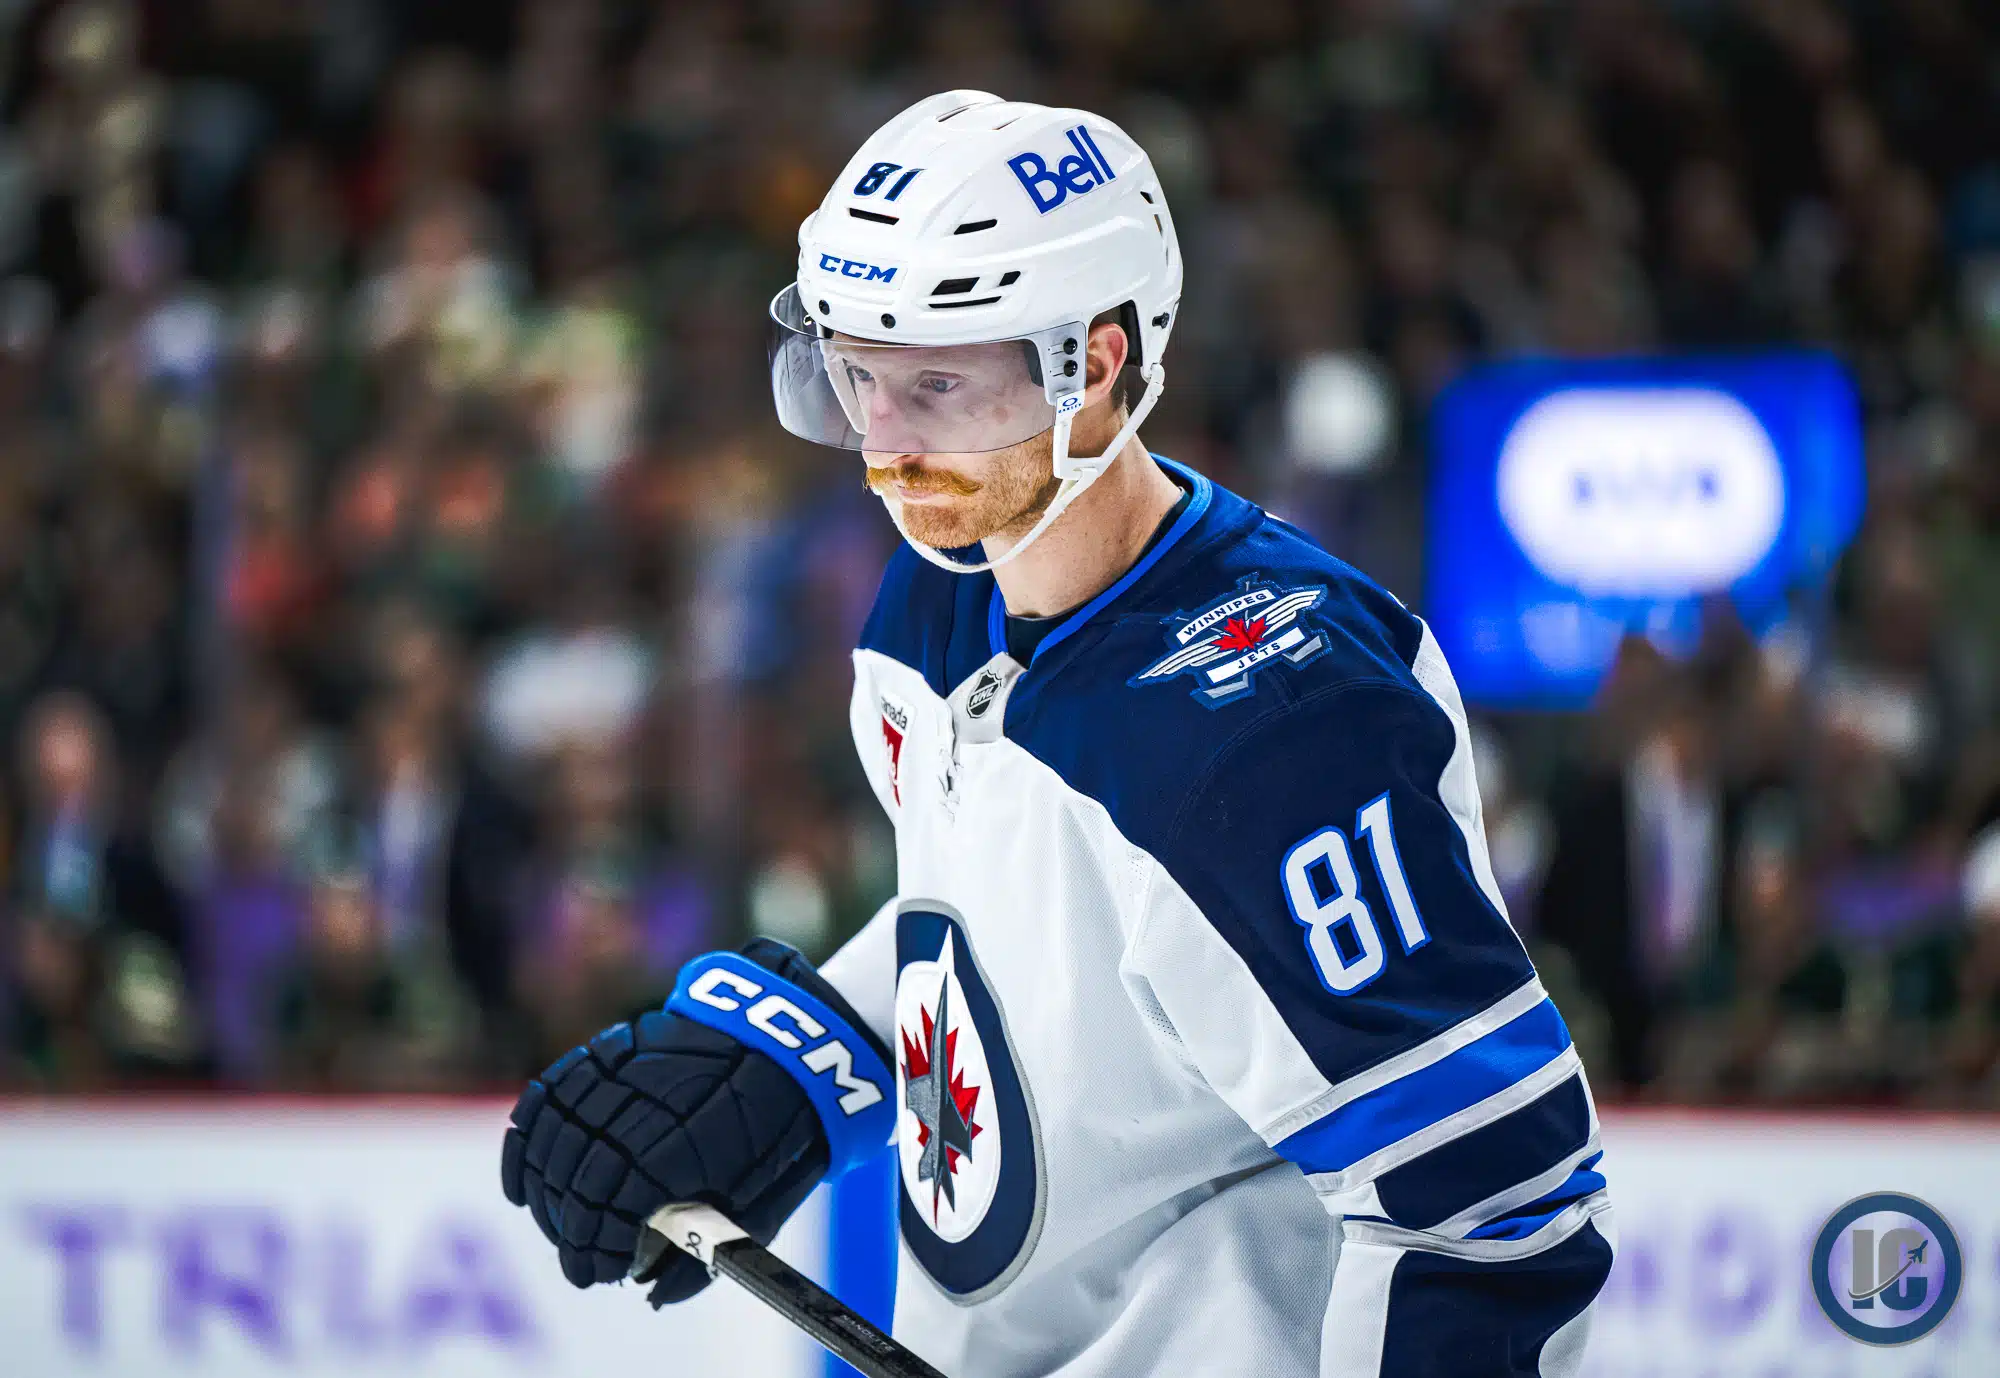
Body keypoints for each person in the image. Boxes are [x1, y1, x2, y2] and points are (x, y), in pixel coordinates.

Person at [501, 91, 1613, 1377]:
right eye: (855, 376)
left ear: (1093, 367)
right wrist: (804, 1054)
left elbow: (1487, 1209)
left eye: (936, 385)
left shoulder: (1283, 731)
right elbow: (1046, 931)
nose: (882, 448)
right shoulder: (939, 590)